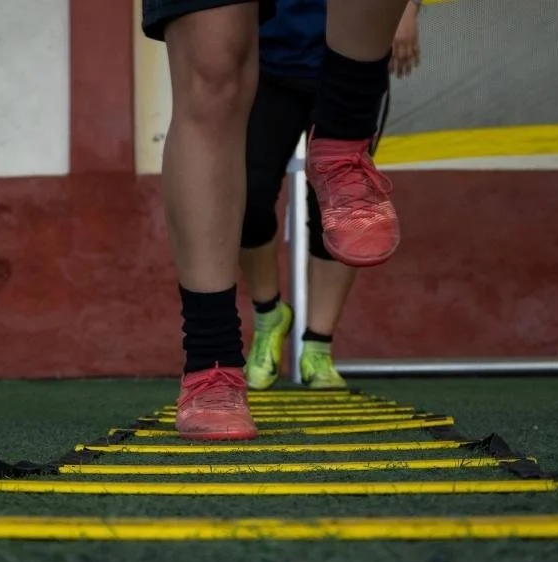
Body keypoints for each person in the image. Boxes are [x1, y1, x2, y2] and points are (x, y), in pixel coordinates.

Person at [142, 0, 412, 439]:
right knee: (212, 76)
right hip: (272, 63)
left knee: (331, 220)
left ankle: (343, 142)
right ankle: (213, 363)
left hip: (334, 64)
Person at [242, 0, 421, 391]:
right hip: (269, 60)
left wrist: (407, 9)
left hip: (350, 62)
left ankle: (318, 347)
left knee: (341, 205)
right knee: (246, 199)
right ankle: (269, 315)